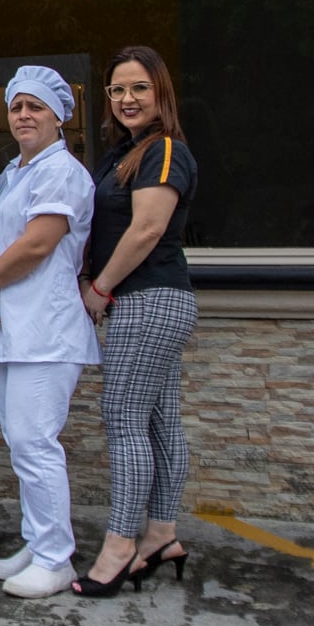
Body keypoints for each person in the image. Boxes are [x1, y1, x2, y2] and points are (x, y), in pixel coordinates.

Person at [0, 66, 98, 598]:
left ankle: (55, 557)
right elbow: (1, 242)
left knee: (35, 444)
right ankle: (36, 540)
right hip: (13, 328)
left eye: (35, 107)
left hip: (46, 329)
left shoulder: (61, 171)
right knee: (22, 445)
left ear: (58, 115)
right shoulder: (16, 172)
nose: (23, 115)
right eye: (17, 106)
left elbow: (39, 243)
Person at [79, 46, 202, 596]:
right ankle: (162, 533)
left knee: (124, 418)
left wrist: (101, 286)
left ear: (161, 94)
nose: (127, 99)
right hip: (151, 299)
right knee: (158, 421)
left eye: (139, 89)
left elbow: (147, 229)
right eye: (117, 90)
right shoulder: (125, 153)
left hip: (147, 298)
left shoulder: (165, 151)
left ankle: (122, 545)